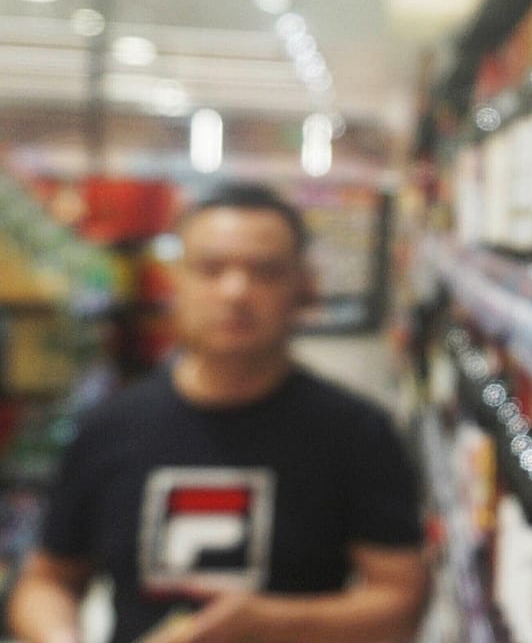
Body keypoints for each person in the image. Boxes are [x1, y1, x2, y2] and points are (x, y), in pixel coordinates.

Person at [7, 182, 428, 643]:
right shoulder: (109, 427)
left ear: (304, 287)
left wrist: (272, 624)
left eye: (266, 272)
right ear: (176, 282)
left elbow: (402, 601)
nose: (235, 291)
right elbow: (48, 580)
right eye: (211, 269)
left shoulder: (357, 432)